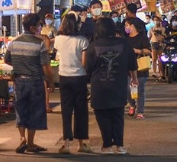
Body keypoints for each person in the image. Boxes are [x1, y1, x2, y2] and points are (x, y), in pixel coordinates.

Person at [85, 17, 137, 155]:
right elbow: (132, 63)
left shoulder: (93, 46)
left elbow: (87, 69)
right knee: (118, 115)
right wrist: (134, 79)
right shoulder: (124, 44)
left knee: (102, 116)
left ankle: (107, 145)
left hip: (99, 86)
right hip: (119, 85)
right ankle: (120, 146)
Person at [4, 13, 53, 153]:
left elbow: (6, 60)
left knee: (21, 109)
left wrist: (19, 66)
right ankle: (31, 144)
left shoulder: (14, 41)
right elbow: (45, 65)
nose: (40, 28)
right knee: (35, 111)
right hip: (35, 81)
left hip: (19, 81)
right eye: (39, 26)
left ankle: (22, 138)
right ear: (32, 28)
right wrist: (50, 81)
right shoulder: (40, 43)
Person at [52, 13, 92, 154]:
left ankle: (67, 144)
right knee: (81, 110)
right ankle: (82, 144)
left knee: (66, 110)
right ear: (77, 24)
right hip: (79, 77)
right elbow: (84, 62)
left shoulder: (58, 39)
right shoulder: (83, 41)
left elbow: (57, 56)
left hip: (64, 77)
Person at [124, 17, 151, 119]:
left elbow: (149, 51)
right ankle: (132, 104)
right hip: (127, 68)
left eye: (127, 25)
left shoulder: (142, 37)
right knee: (127, 88)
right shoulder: (125, 39)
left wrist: (137, 51)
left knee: (140, 90)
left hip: (140, 67)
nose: (126, 27)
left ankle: (140, 111)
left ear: (133, 26)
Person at [40, 13, 56, 113]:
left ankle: (46, 106)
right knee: (44, 85)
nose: (48, 20)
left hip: (50, 52)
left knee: (44, 85)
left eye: (49, 18)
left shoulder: (54, 29)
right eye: (46, 18)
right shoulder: (42, 30)